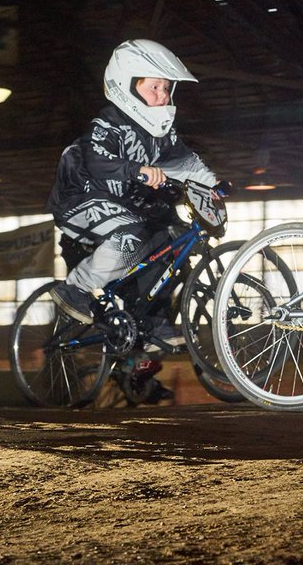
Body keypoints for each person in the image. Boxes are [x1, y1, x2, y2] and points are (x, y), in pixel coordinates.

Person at [45, 39, 220, 404]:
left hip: (127, 211)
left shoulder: (162, 134)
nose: (163, 95)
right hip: (80, 202)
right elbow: (97, 162)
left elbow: (188, 162)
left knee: (167, 243)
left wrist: (214, 185)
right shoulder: (107, 124)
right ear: (127, 86)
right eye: (154, 87)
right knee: (132, 235)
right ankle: (74, 290)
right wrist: (137, 170)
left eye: (167, 88)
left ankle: (150, 329)